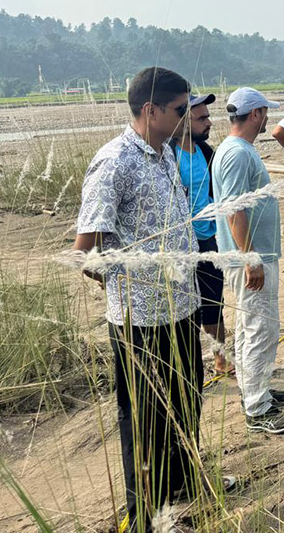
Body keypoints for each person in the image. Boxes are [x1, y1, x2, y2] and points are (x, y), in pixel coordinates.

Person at [73, 67, 203, 531]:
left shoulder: (165, 151)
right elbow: (84, 253)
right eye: (179, 109)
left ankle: (184, 489)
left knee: (187, 400)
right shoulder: (113, 162)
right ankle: (149, 515)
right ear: (150, 110)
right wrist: (130, 284)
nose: (187, 116)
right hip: (141, 321)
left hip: (183, 308)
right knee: (147, 420)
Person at [213, 87, 284, 434]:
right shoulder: (236, 154)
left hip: (253, 254)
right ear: (256, 114)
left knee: (254, 329)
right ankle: (257, 409)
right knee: (260, 329)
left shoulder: (238, 150)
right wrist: (252, 259)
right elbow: (235, 210)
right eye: (265, 112)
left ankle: (256, 391)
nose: (267, 119)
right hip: (250, 257)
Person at [172, 92, 231, 374]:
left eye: (208, 116)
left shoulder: (207, 152)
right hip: (180, 243)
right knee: (182, 305)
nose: (209, 122)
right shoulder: (168, 155)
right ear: (183, 121)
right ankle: (184, 362)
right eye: (202, 118)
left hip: (207, 237)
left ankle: (220, 358)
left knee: (213, 299)